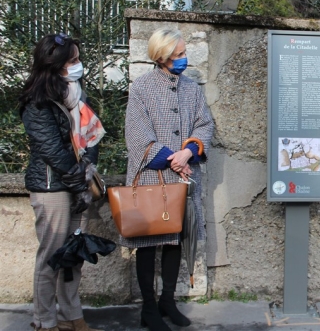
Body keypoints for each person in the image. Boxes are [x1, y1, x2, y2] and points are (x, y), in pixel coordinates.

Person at [122, 28, 214, 331]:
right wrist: (171, 159)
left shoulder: (191, 89)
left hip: (183, 177)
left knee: (176, 239)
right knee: (149, 243)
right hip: (152, 176)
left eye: (184, 53)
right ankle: (148, 308)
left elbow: (205, 124)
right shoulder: (142, 88)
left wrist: (188, 152)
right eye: (179, 55)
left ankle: (168, 301)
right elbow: (137, 135)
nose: (184, 59)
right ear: (161, 57)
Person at [20, 33, 105, 331]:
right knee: (51, 257)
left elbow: (91, 134)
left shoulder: (79, 93)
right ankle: (44, 321)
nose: (79, 65)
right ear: (54, 64)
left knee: (73, 256)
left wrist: (87, 166)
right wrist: (79, 179)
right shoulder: (37, 100)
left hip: (77, 185)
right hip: (51, 187)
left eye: (78, 59)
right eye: (73, 60)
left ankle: (72, 317)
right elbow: (52, 149)